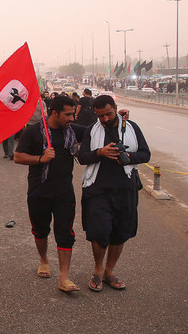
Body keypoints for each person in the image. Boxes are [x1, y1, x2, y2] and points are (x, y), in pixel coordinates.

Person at [78, 95, 150, 292]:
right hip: (97, 189)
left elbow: (145, 154)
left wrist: (128, 157)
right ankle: (98, 271)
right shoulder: (92, 130)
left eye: (109, 114)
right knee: (99, 232)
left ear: (116, 108)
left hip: (125, 189)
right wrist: (99, 153)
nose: (106, 119)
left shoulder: (131, 128)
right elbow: (82, 157)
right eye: (101, 116)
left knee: (120, 233)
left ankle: (110, 272)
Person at [14, 95, 86, 292]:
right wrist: (41, 158)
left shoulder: (72, 130)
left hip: (64, 191)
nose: (72, 118)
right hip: (39, 191)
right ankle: (44, 260)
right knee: (40, 229)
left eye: (73, 114)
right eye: (68, 114)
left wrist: (122, 120)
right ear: (54, 113)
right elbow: (18, 157)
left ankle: (64, 277)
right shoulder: (34, 131)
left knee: (65, 233)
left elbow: (97, 132)